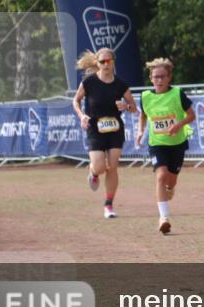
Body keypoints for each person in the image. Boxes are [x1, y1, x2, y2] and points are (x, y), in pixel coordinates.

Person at [72, 48, 137, 219]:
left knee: (113, 166)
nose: (106, 64)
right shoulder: (89, 82)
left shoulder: (121, 84)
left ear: (113, 62)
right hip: (95, 128)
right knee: (100, 167)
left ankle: (108, 204)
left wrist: (126, 107)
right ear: (97, 63)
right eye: (102, 62)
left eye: (109, 61)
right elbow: (76, 100)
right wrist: (81, 115)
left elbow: (134, 107)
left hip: (115, 128)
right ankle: (93, 172)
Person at [136, 58, 196, 235]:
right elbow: (143, 116)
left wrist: (178, 125)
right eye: (156, 77)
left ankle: (170, 188)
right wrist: (140, 131)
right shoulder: (146, 97)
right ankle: (163, 218)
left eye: (162, 76)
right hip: (157, 144)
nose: (159, 80)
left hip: (177, 143)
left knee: (171, 180)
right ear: (151, 78)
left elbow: (191, 115)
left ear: (169, 77)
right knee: (161, 176)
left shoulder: (178, 94)